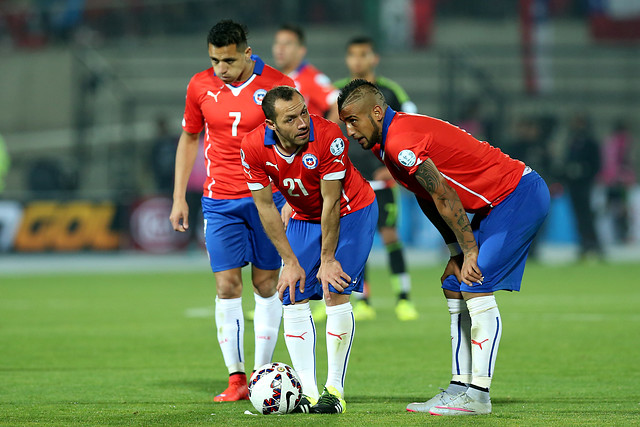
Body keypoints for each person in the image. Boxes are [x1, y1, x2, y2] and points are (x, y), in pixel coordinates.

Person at [337, 80, 550, 416]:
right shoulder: (386, 143)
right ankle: (458, 387)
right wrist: (456, 251)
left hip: (517, 195)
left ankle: (478, 396)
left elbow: (444, 195)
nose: (349, 130)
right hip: (493, 206)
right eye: (344, 122)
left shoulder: (400, 142)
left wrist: (470, 251)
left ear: (376, 113)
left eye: (353, 120)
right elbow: (427, 198)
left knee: (474, 279)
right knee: (453, 282)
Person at [169, 20, 295, 402]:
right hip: (220, 200)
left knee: (266, 285)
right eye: (214, 60)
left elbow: (297, 141)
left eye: (227, 60)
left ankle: (261, 374)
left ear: (246, 53)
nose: (220, 68)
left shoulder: (276, 84)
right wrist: (178, 197)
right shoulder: (200, 85)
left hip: (267, 199)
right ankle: (236, 379)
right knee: (226, 285)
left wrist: (291, 196)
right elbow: (190, 138)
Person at [241, 86, 377, 413]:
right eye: (291, 118)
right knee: (291, 291)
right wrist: (289, 261)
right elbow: (265, 207)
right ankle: (309, 392)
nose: (303, 122)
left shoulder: (328, 136)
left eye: (303, 111)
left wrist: (327, 260)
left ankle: (334, 391)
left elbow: (331, 201)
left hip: (351, 211)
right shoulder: (252, 147)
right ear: (272, 125)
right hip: (304, 215)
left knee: (334, 288)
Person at [333, 35, 418, 321]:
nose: (358, 60)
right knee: (356, 238)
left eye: (363, 54)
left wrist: (395, 167)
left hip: (383, 178)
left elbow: (410, 129)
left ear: (374, 58)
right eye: (353, 55)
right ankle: (363, 299)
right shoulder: (333, 93)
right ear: (347, 59)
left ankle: (403, 298)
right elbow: (325, 135)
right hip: (350, 180)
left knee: (389, 235)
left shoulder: (390, 92)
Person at [272, 24, 340, 122]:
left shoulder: (312, 77)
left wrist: (325, 135)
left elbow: (340, 105)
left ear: (301, 50)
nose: (280, 48)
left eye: (287, 44)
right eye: (277, 43)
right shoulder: (273, 79)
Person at [562, 113, 603, 259]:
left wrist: (584, 171)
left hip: (586, 184)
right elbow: (566, 160)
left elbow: (597, 164)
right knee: (578, 216)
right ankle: (584, 244)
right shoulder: (572, 141)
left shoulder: (590, 142)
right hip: (573, 185)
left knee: (587, 215)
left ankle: (595, 245)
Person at [599, 118, 635, 244]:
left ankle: (606, 235)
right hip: (620, 180)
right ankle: (622, 235)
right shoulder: (624, 141)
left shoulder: (609, 141)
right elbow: (624, 160)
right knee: (622, 209)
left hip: (609, 180)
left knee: (609, 208)